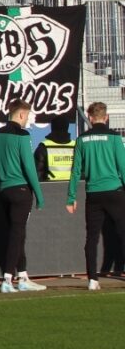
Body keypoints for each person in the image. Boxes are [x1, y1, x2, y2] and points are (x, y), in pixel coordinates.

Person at [66, 102, 125, 291]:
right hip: (114, 191)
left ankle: (92, 279)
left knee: (92, 237)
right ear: (106, 117)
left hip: (93, 193)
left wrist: (71, 196)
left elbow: (75, 171)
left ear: (90, 118)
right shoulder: (115, 138)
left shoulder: (82, 140)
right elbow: (123, 167)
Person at [0, 100, 45, 292]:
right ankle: (7, 279)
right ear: (21, 115)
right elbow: (29, 167)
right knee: (17, 234)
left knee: (17, 233)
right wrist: (39, 194)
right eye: (27, 116)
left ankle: (22, 276)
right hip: (21, 191)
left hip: (4, 190)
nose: (28, 119)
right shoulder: (22, 135)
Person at [35, 117, 75, 182]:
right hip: (74, 187)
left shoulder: (44, 146)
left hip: (50, 187)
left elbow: (38, 173)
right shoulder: (76, 146)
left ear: (52, 127)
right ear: (67, 127)